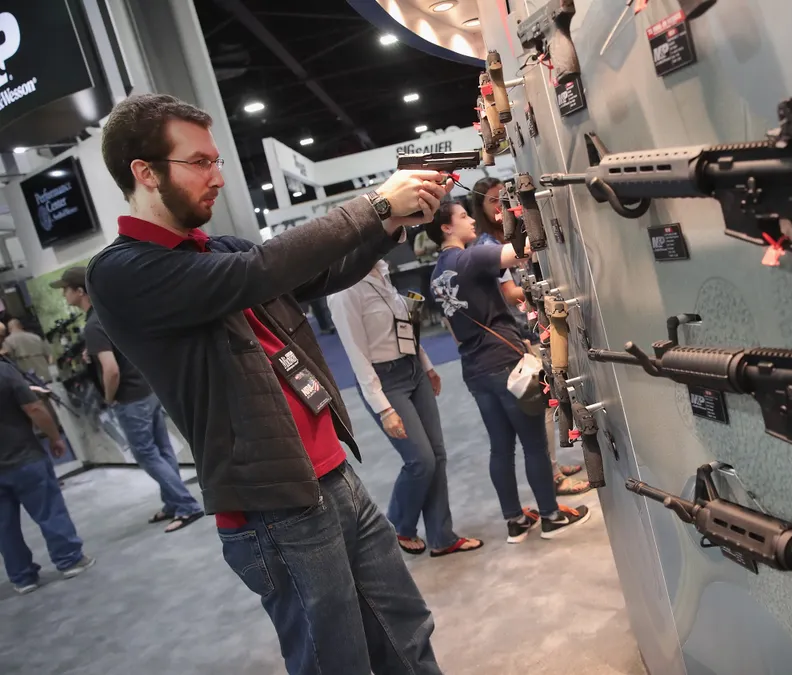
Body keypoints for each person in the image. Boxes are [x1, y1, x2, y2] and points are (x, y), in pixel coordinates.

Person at [85, 93, 447, 674]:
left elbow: (322, 270)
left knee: (406, 630)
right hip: (272, 508)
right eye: (199, 162)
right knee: (335, 662)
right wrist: (374, 202)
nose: (218, 177)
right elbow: (259, 271)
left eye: (216, 160)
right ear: (145, 172)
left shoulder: (215, 251)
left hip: (333, 475)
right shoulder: (122, 271)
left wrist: (394, 224)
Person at [425, 200, 591, 544]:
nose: (471, 220)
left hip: (474, 367)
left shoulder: (437, 274)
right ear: (446, 227)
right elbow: (524, 251)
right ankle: (550, 515)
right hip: (504, 361)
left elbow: (453, 328)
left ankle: (515, 521)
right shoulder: (469, 258)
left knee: (500, 448)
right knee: (533, 444)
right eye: (463, 216)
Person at [329, 260, 482, 557]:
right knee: (420, 460)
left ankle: (442, 536)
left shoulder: (382, 270)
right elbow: (356, 354)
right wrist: (383, 408)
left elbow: (405, 327)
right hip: (385, 381)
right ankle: (399, 524)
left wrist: (426, 365)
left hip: (413, 370)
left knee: (437, 455)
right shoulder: (344, 289)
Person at [53, 267, 205, 533]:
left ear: (79, 291)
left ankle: (186, 505)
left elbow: (111, 370)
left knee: (146, 454)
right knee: (161, 449)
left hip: (129, 398)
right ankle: (172, 502)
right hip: (147, 389)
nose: (64, 295)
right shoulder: (109, 315)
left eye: (65, 289)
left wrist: (109, 399)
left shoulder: (92, 326)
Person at [469, 180, 590, 497]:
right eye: (492, 201)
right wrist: (552, 290)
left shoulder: (507, 235)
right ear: (480, 209)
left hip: (536, 325)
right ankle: (551, 476)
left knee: (549, 403)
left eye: (503, 198)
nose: (499, 205)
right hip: (522, 335)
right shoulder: (488, 246)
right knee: (542, 405)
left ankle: (551, 466)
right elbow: (510, 295)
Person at [0, 360, 94, 593]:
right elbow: (33, 408)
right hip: (23, 456)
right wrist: (54, 437)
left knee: (4, 526)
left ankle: (22, 577)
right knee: (49, 510)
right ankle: (70, 560)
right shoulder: (4, 370)